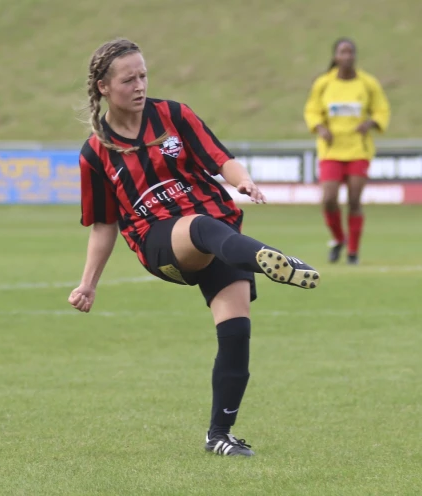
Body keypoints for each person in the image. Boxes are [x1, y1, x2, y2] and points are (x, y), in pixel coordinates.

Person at [67, 38, 320, 457]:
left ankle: (219, 435)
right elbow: (103, 225)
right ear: (103, 87)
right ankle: (263, 257)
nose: (140, 85)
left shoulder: (173, 115)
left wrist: (243, 180)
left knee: (236, 332)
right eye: (129, 79)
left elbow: (221, 157)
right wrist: (88, 284)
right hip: (159, 242)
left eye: (144, 75)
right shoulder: (95, 153)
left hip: (220, 234)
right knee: (200, 226)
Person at [304, 38, 391, 265]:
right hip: (331, 150)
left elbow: (382, 109)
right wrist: (321, 128)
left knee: (354, 200)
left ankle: (353, 252)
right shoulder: (324, 83)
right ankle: (338, 238)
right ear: (335, 57)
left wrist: (370, 123)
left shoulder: (367, 83)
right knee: (329, 199)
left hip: (358, 150)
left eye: (351, 52)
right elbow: (312, 110)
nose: (348, 56)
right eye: (343, 52)